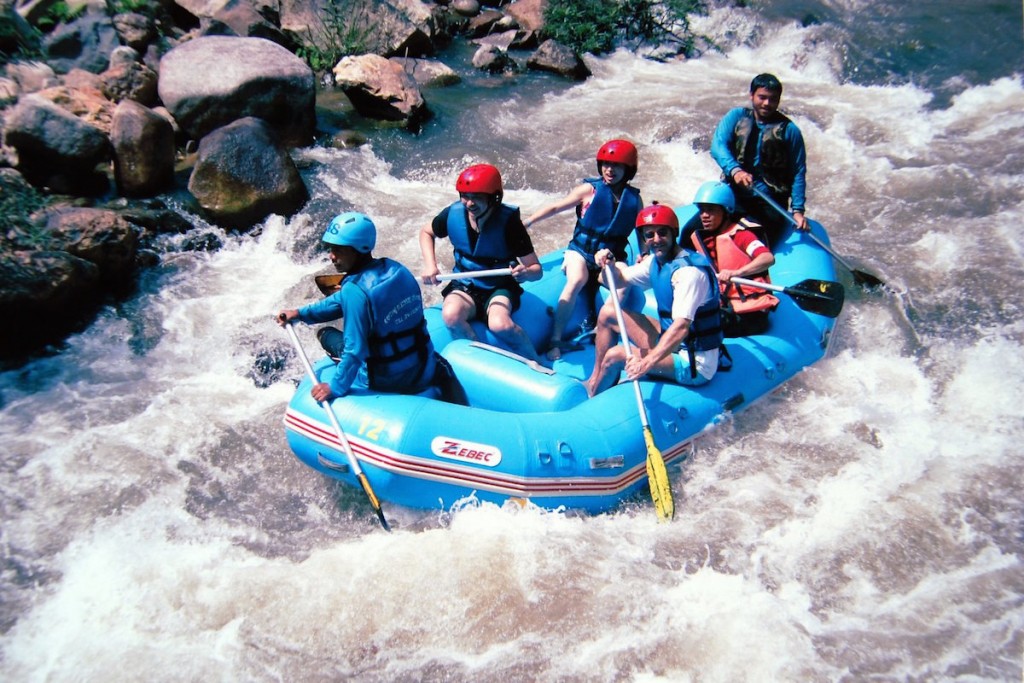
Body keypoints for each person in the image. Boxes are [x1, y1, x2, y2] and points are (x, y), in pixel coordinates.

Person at [277, 212, 463, 404]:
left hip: (385, 379)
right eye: (331, 249)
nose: (331, 256)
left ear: (357, 249)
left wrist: (334, 387)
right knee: (443, 366)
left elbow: (354, 350)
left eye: (338, 250)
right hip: (422, 367)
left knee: (326, 334)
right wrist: (300, 314)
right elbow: (336, 302)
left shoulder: (354, 291)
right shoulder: (397, 269)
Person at [584, 203, 723, 397]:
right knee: (608, 313)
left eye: (662, 233)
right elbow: (616, 281)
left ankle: (594, 400)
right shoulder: (656, 262)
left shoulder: (689, 274)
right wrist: (609, 265)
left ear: (674, 233)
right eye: (649, 235)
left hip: (693, 362)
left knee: (615, 355)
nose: (656, 239)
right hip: (672, 343)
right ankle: (595, 380)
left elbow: (682, 327)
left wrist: (645, 363)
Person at [523, 139, 644, 360]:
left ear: (628, 170)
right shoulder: (589, 190)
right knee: (576, 279)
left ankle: (602, 326)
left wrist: (644, 254)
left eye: (616, 166)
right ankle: (555, 338)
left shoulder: (634, 201)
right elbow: (556, 206)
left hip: (608, 257)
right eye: (606, 164)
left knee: (623, 285)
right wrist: (529, 221)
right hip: (580, 251)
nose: (610, 170)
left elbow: (641, 231)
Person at [420, 163, 543, 361]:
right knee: (451, 315)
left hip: (499, 286)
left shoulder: (510, 225)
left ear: (493, 197)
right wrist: (430, 265)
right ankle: (482, 361)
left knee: (499, 324)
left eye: (477, 197)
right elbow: (426, 232)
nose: (469, 203)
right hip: (465, 283)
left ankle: (537, 362)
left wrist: (525, 273)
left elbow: (536, 269)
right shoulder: (452, 214)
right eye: (465, 196)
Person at [710, 73, 809, 245]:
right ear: (751, 95)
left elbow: (798, 172)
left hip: (769, 201)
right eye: (762, 97)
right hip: (734, 194)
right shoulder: (736, 117)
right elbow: (718, 146)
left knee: (751, 242)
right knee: (697, 231)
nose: (767, 104)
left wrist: (798, 210)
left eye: (773, 99)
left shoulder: (790, 130)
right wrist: (735, 170)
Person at [690, 181, 779, 337]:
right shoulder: (707, 238)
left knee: (696, 326)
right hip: (726, 307)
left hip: (751, 316)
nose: (704, 215)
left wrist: (738, 273)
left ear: (726, 211)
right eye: (702, 210)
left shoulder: (741, 235)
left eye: (710, 210)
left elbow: (767, 258)